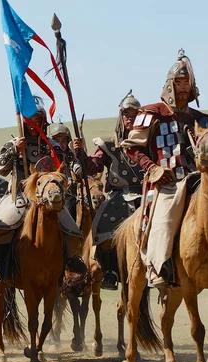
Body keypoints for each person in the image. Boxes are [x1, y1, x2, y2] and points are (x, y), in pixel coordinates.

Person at [120, 49, 208, 287]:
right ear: (169, 85)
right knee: (165, 219)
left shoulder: (203, 120)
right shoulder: (152, 114)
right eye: (179, 82)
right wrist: (153, 168)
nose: (184, 87)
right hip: (168, 184)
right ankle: (161, 266)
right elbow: (131, 147)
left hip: (200, 182)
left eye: (187, 83)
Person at [0, 99, 87, 282]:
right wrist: (14, 150)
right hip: (18, 196)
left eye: (38, 120)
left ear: (44, 121)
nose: (34, 125)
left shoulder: (53, 145)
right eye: (30, 120)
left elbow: (65, 166)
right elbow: (0, 167)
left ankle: (72, 258)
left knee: (71, 228)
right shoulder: (14, 142)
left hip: (47, 198)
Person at [72, 90, 145, 290]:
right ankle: (110, 270)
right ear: (120, 117)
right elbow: (93, 167)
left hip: (147, 192)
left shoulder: (148, 142)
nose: (131, 118)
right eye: (127, 115)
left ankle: (163, 267)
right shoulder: (109, 145)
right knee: (102, 224)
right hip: (119, 195)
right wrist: (81, 154)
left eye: (135, 114)